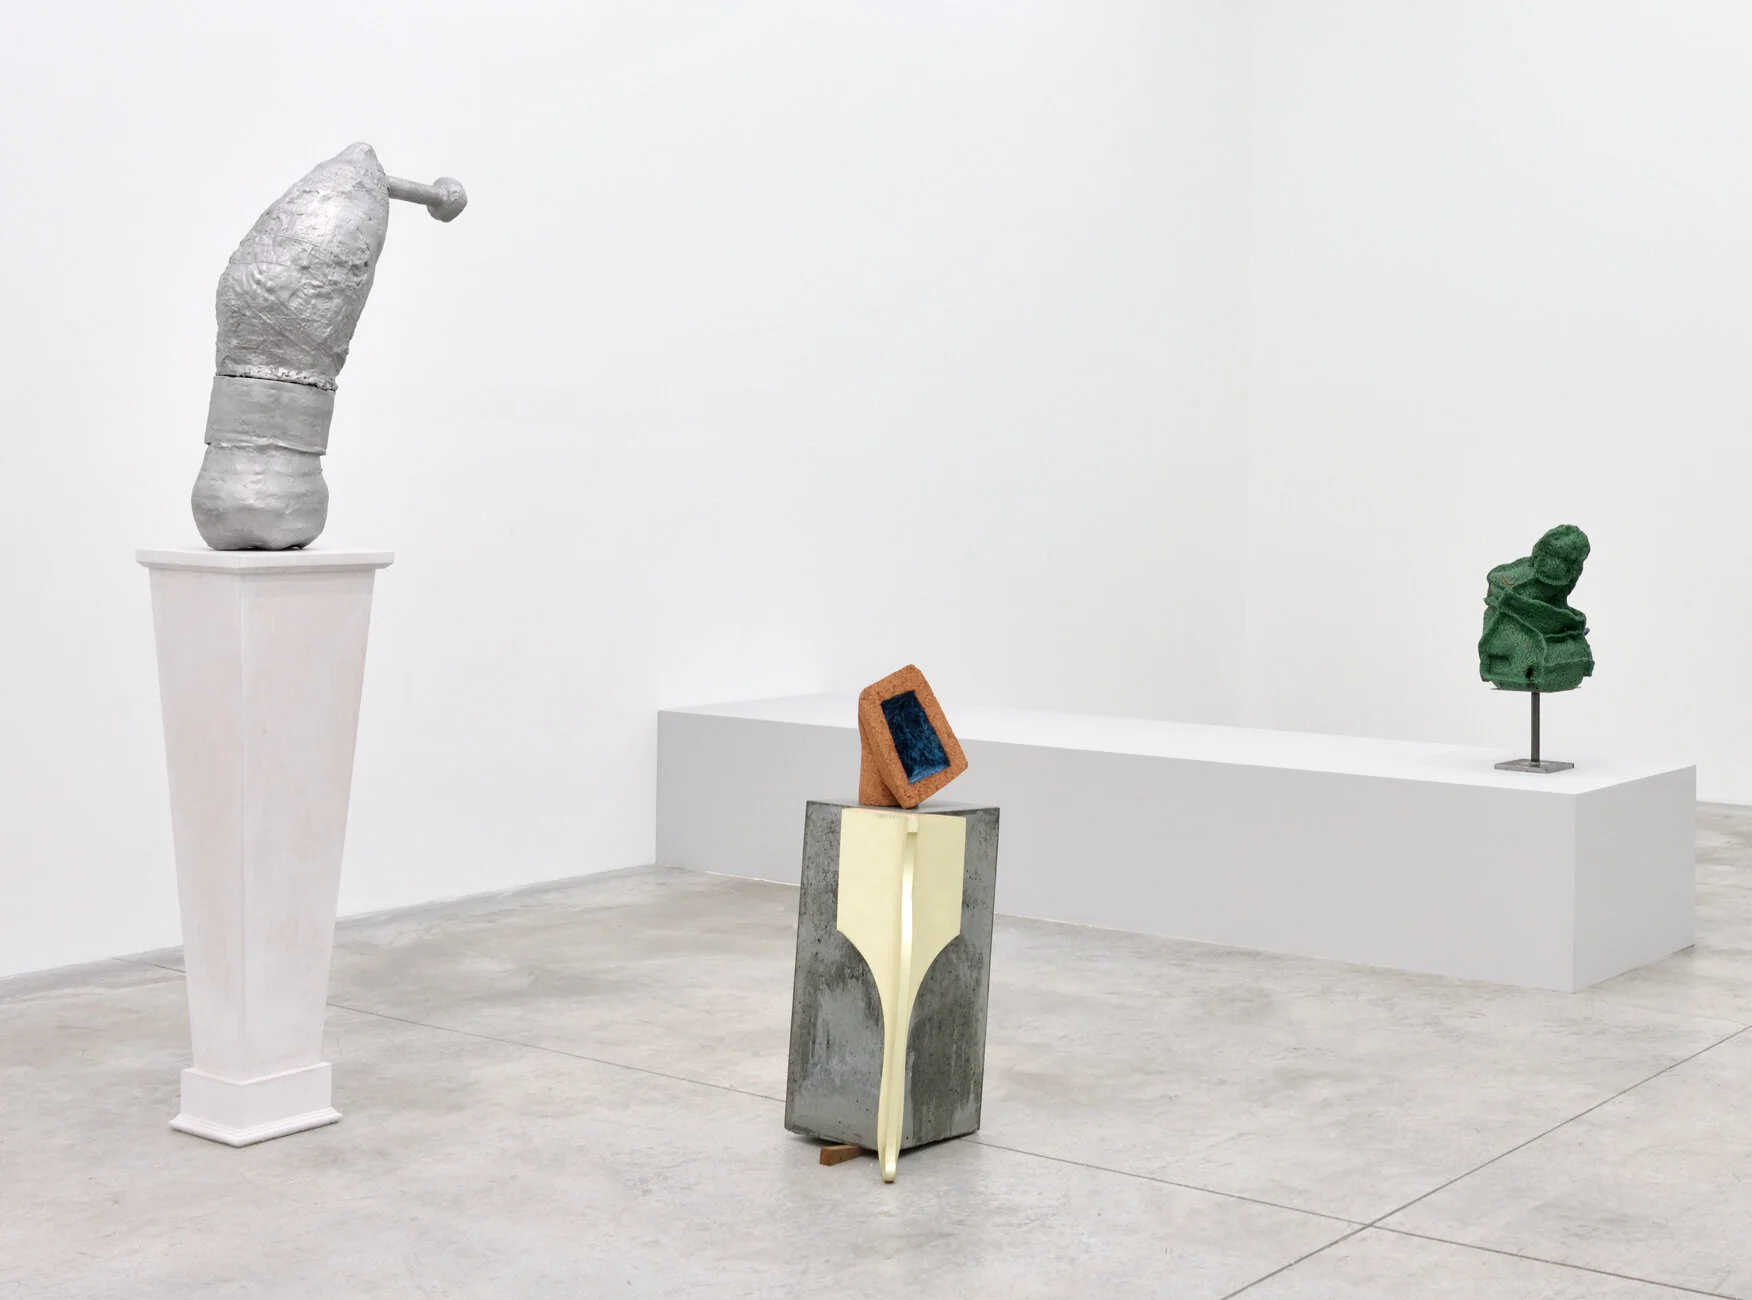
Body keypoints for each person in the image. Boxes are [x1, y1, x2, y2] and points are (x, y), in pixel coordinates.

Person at [1478, 524, 1594, 692]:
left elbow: (1559, 606)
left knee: (1569, 650)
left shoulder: (1561, 581)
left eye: (1575, 563)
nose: (1571, 571)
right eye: (1566, 561)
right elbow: (1504, 597)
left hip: (1544, 647)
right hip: (1516, 643)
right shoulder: (1524, 580)